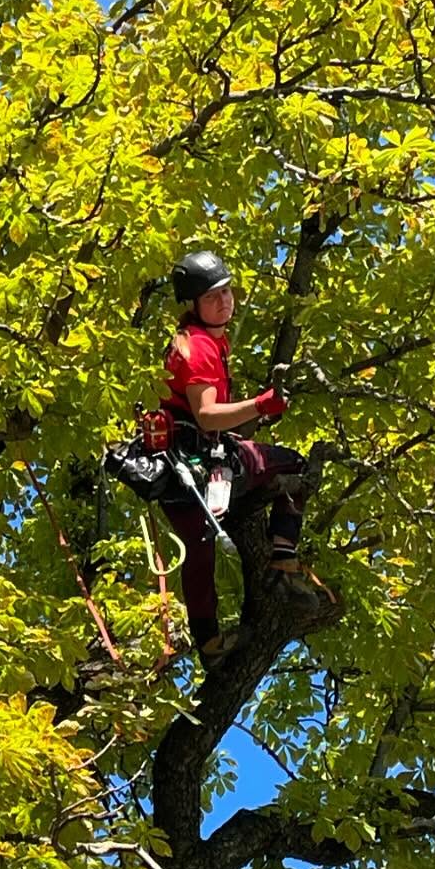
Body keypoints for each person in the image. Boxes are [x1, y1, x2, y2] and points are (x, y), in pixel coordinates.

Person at [156, 249, 315, 668]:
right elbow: (207, 415)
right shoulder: (199, 348)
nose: (224, 302)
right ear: (193, 305)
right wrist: (261, 406)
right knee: (294, 466)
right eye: (213, 297)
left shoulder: (204, 338)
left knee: (200, 547)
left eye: (226, 292)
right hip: (196, 462)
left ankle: (209, 644)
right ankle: (284, 558)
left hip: (182, 462)